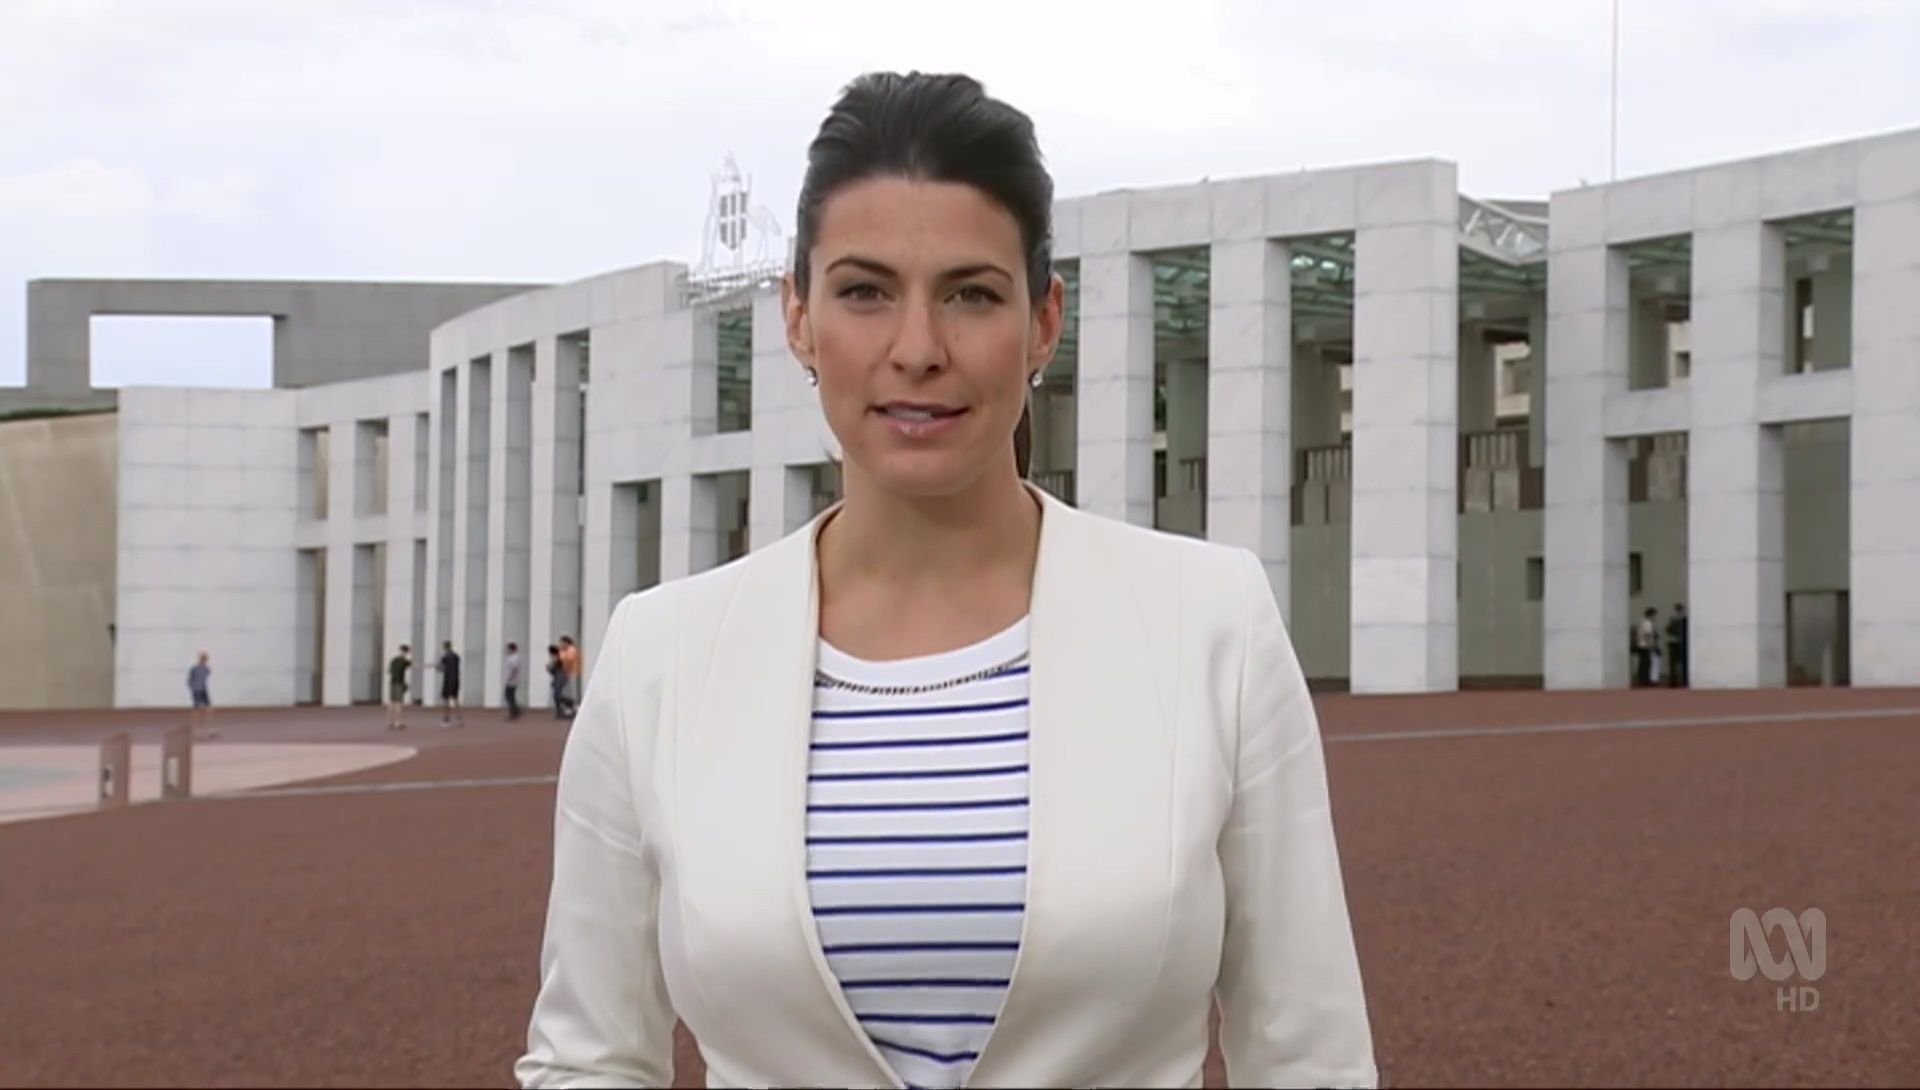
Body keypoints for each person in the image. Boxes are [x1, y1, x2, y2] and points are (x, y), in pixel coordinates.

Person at [516, 72, 1376, 1090]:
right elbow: (589, 1059)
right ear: (797, 316)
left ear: (1044, 321)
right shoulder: (661, 659)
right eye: (864, 292)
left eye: (971, 294)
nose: (918, 350)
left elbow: (1310, 1058)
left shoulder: (1209, 625)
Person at [186, 651, 217, 740]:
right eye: (203, 659)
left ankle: (210, 730)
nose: (204, 661)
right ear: (199, 659)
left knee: (209, 710)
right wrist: (194, 689)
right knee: (197, 711)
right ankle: (195, 731)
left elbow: (205, 678)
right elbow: (189, 681)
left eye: (205, 659)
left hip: (204, 690)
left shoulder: (207, 669)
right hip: (196, 691)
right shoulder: (194, 669)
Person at [434, 641, 464, 728]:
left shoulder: (445, 657)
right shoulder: (456, 656)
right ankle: (459, 720)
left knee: (446, 700)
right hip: (456, 680)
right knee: (455, 699)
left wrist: (437, 667)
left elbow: (440, 669)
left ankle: (446, 720)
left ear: (444, 647)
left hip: (448, 681)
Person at [386, 644, 412, 731]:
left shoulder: (393, 660)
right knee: (398, 703)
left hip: (392, 682)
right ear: (406, 652)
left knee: (391, 703)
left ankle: (390, 721)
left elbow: (389, 671)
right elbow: (415, 664)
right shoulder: (404, 661)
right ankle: (397, 723)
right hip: (399, 683)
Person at [1634, 607, 1660, 687]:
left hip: (1641, 645)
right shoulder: (1648, 623)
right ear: (1651, 615)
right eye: (1654, 615)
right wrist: (1651, 645)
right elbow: (1647, 635)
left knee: (1642, 663)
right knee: (1646, 664)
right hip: (1646, 646)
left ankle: (1642, 680)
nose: (1655, 617)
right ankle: (1645, 681)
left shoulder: (1642, 622)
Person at [556, 636, 581, 719]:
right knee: (564, 692)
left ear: (567, 642)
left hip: (571, 673)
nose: (561, 644)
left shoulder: (571, 650)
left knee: (570, 692)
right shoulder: (563, 651)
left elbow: (568, 660)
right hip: (564, 674)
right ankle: (570, 709)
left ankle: (575, 707)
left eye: (562, 642)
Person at [1665, 603, 1689, 688]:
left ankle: (1673, 681)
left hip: (1674, 643)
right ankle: (1683, 680)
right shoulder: (1682, 619)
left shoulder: (1672, 619)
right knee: (1682, 663)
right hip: (1680, 643)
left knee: (1673, 664)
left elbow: (1668, 630)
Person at [545, 644, 567, 720]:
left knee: (557, 696)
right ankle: (559, 712)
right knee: (556, 696)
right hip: (558, 678)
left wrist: (549, 668)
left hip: (559, 679)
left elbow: (554, 669)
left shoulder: (558, 658)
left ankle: (569, 703)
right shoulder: (557, 658)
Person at [504, 642, 523, 721]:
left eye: (508, 649)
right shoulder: (511, 658)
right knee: (510, 696)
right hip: (511, 679)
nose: (507, 650)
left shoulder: (514, 658)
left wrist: (510, 678)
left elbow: (515, 669)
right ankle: (516, 711)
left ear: (512, 649)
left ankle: (514, 713)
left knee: (509, 697)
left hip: (512, 680)